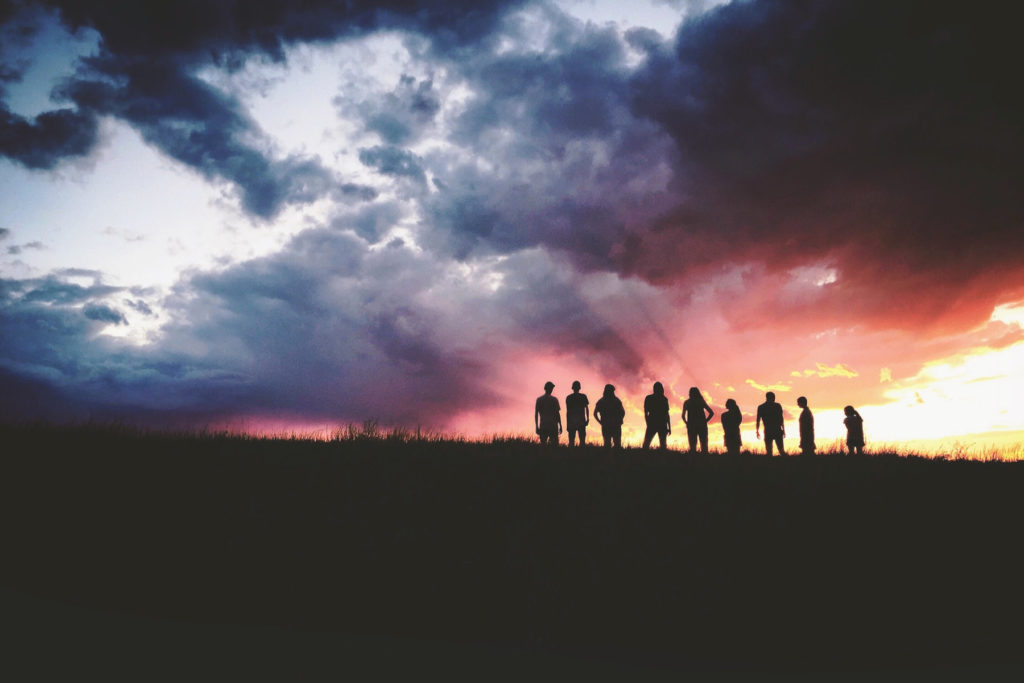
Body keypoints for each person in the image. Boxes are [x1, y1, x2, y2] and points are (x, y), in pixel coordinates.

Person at [682, 387, 714, 454]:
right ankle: (705, 461)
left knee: (692, 446)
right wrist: (705, 421)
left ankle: (693, 461)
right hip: (702, 425)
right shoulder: (701, 401)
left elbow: (683, 416)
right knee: (704, 446)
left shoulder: (687, 402)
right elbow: (711, 412)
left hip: (691, 425)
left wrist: (686, 423)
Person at [594, 384, 625, 449]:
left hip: (610, 425)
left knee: (610, 445)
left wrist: (600, 422)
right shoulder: (616, 400)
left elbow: (622, 412)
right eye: (611, 391)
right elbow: (623, 412)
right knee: (614, 445)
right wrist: (620, 420)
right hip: (612, 425)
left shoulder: (602, 401)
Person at [755, 391, 786, 456]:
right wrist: (783, 430)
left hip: (768, 430)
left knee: (769, 451)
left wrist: (757, 431)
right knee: (781, 450)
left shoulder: (761, 407)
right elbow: (781, 419)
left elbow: (758, 420)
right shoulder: (777, 406)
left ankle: (770, 464)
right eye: (774, 397)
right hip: (777, 430)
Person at [642, 382, 671, 449]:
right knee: (648, 443)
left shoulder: (663, 399)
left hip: (658, 423)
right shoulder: (662, 399)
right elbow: (646, 412)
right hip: (657, 423)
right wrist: (669, 427)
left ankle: (644, 456)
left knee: (661, 444)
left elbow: (667, 414)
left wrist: (669, 427)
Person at [534, 381, 562, 445]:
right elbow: (557, 414)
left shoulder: (539, 399)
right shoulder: (555, 400)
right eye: (552, 388)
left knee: (543, 446)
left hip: (543, 425)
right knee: (554, 446)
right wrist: (560, 425)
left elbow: (536, 414)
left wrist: (536, 427)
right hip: (553, 426)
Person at [565, 380, 590, 447]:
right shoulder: (583, 396)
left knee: (571, 441)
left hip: (572, 422)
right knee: (582, 441)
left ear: (572, 388)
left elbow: (568, 411)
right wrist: (587, 419)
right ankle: (581, 455)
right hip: (581, 421)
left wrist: (567, 424)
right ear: (579, 388)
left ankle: (571, 455)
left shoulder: (569, 397)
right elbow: (586, 408)